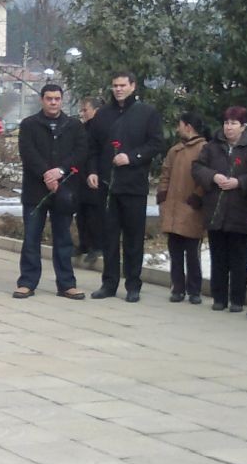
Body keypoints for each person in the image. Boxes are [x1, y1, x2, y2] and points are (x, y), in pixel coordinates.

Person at [87, 71, 165, 302]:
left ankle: (133, 284)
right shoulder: (103, 114)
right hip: (107, 186)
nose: (118, 89)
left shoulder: (147, 113)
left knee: (133, 238)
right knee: (109, 238)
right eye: (115, 85)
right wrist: (92, 171)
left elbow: (156, 143)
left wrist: (132, 157)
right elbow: (92, 146)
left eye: (122, 85)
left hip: (133, 185)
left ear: (133, 86)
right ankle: (109, 283)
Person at [13, 84, 87, 300]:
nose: (53, 102)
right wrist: (46, 174)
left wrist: (60, 171)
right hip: (35, 190)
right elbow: (27, 152)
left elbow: (81, 151)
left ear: (62, 100)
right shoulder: (29, 124)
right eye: (49, 98)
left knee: (63, 239)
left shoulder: (73, 125)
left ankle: (66, 284)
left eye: (57, 98)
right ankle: (27, 282)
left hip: (64, 190)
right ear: (42, 100)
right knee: (31, 238)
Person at [193, 106, 247, 312]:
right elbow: (197, 167)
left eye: (234, 123)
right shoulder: (212, 146)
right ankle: (219, 298)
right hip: (216, 210)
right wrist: (213, 176)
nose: (229, 127)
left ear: (243, 126)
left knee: (239, 258)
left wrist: (240, 182)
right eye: (226, 123)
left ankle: (237, 300)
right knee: (218, 256)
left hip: (241, 211)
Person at [156, 112, 208, 304]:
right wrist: (163, 196)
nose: (177, 129)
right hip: (172, 208)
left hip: (191, 208)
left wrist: (197, 197)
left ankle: (194, 290)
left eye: (180, 125)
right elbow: (165, 174)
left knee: (192, 252)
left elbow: (206, 177)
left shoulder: (204, 148)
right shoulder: (175, 150)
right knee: (175, 251)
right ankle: (177, 288)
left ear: (188, 126)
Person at [76, 96, 104, 263]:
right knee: (81, 213)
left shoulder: (101, 129)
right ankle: (84, 244)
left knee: (95, 214)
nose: (83, 113)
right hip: (81, 176)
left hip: (96, 176)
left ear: (96, 110)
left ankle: (97, 246)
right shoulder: (83, 128)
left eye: (85, 110)